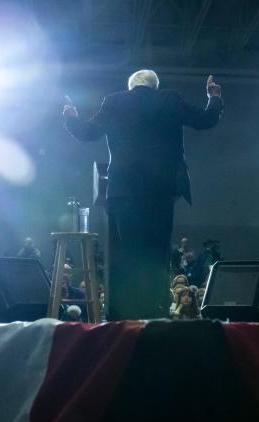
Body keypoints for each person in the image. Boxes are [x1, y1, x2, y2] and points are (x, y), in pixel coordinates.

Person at [63, 70, 223, 320]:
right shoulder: (169, 100)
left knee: (126, 253)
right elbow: (205, 120)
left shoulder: (114, 101)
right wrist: (213, 97)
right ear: (155, 86)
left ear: (131, 86)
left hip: (123, 192)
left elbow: (87, 133)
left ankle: (122, 313)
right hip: (160, 192)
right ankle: (155, 309)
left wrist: (71, 117)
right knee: (157, 251)